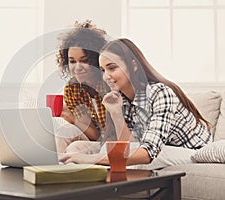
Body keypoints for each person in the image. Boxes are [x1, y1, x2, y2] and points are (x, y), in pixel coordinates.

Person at [59, 38, 212, 168]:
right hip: (164, 149)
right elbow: (128, 143)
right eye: (103, 70)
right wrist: (116, 113)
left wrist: (91, 159)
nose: (106, 76)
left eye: (112, 68)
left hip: (195, 152)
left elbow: (148, 152)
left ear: (133, 64)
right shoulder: (122, 98)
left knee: (139, 159)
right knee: (112, 151)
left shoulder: (160, 93)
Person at [55, 20, 115, 153]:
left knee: (74, 149)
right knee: (65, 131)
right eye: (72, 61)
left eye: (84, 61)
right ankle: (53, 170)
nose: (77, 67)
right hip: (95, 140)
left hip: (113, 141)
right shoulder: (73, 88)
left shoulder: (110, 83)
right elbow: (93, 135)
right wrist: (71, 117)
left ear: (95, 59)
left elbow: (109, 134)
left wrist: (72, 118)